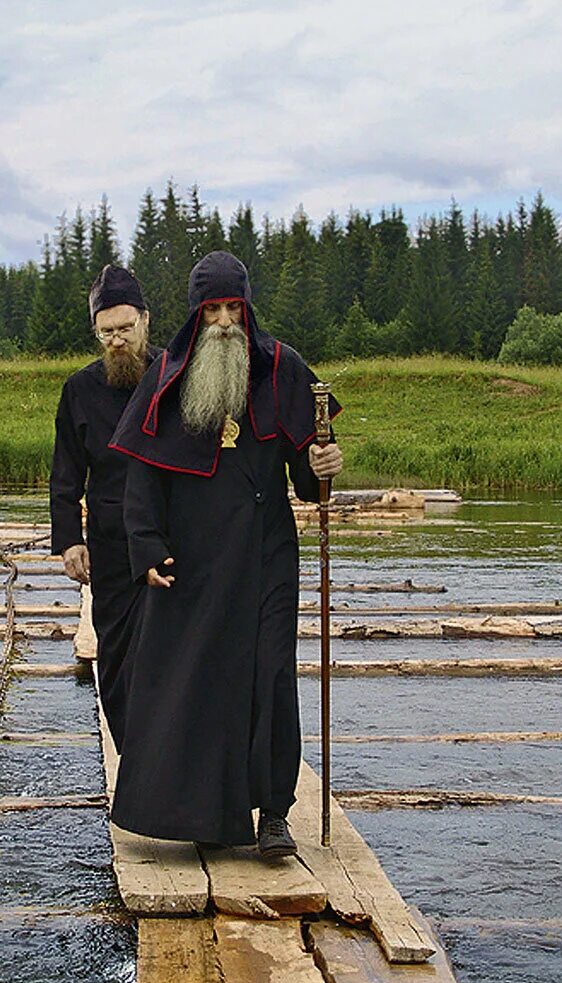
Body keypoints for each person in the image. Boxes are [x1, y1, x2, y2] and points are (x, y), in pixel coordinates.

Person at [108, 250, 343, 859]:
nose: (221, 321)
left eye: (230, 308)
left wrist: (323, 469)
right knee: (196, 680)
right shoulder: (167, 376)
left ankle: (273, 816)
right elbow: (143, 478)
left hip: (265, 555)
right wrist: (148, 548)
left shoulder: (281, 369)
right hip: (192, 562)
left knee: (269, 679)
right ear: (195, 314)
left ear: (246, 308)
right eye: (210, 309)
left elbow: (309, 474)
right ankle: (199, 815)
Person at [50, 265, 161, 752]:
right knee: (115, 654)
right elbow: (66, 473)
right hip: (111, 545)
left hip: (169, 541)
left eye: (125, 329)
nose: (117, 342)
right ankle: (133, 760)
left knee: (170, 653)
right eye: (107, 333)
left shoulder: (171, 375)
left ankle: (171, 767)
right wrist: (70, 539)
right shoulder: (79, 389)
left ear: (145, 322)